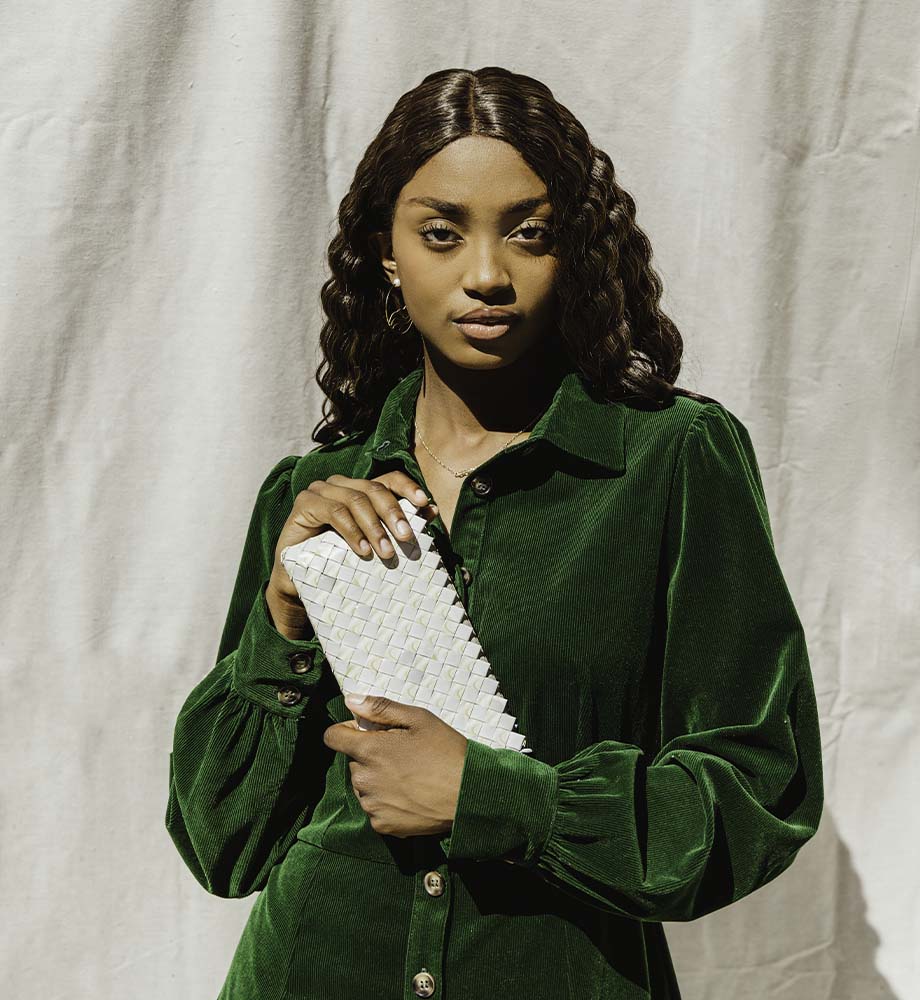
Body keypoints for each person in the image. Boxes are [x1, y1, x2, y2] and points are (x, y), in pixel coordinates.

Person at [165, 66, 824, 1000]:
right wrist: (281, 629)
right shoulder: (314, 490)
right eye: (441, 233)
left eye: (529, 234)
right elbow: (222, 845)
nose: (486, 275)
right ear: (386, 254)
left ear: (574, 252)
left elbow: (759, 792)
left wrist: (499, 797)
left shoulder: (670, 461)